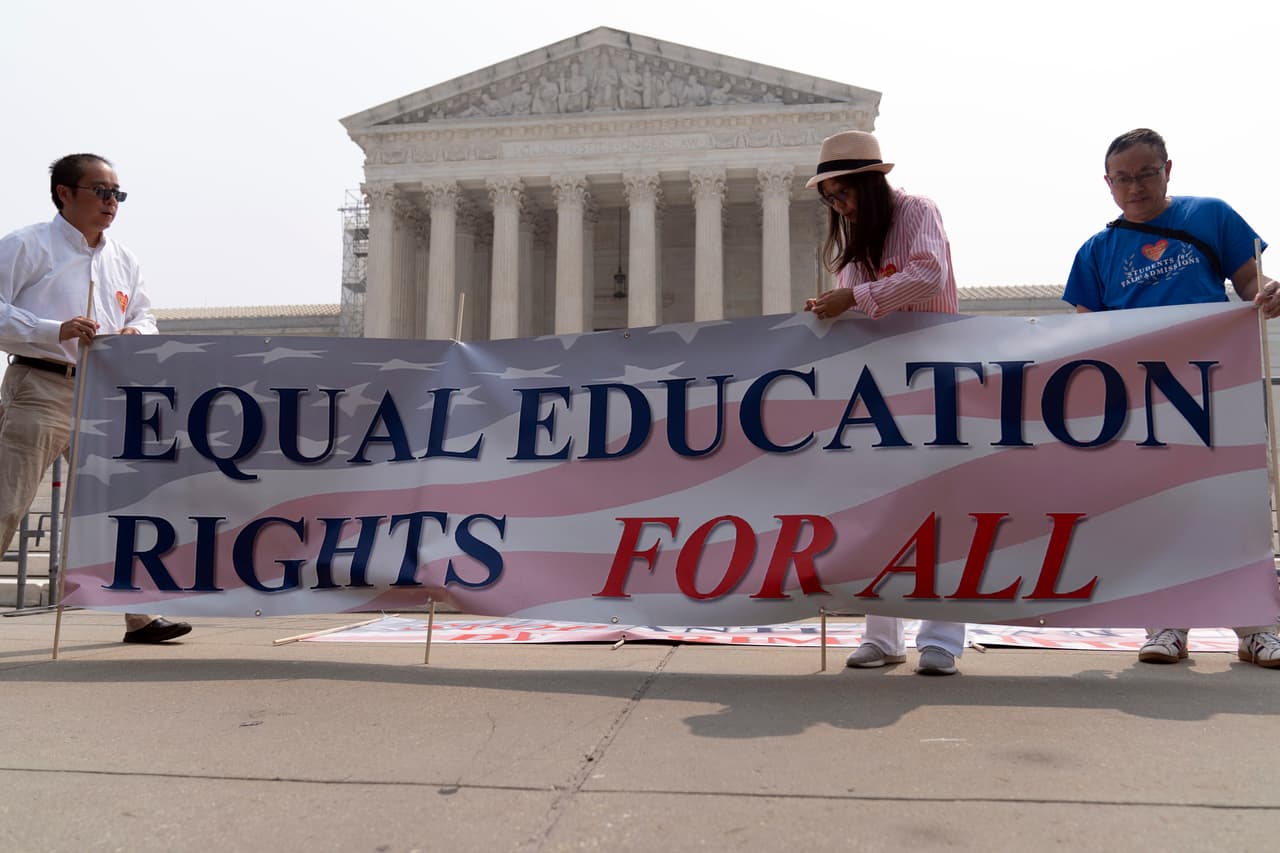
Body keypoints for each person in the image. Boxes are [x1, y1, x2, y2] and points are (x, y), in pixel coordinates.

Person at [1064, 127, 1280, 668]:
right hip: (1140, 405)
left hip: (1218, 391)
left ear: (1168, 170)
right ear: (1107, 184)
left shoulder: (1211, 216)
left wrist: (1270, 293)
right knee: (1159, 511)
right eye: (1123, 178)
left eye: (1146, 173)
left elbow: (1252, 280)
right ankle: (1166, 623)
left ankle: (1258, 628)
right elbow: (1083, 337)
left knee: (1233, 506)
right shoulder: (1096, 251)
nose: (1135, 186)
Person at [0, 153, 192, 644]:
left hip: (106, 393)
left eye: (116, 194)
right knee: (8, 501)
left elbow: (148, 317)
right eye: (100, 192)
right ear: (64, 193)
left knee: (124, 504)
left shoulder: (123, 259)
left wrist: (134, 331)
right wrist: (51, 329)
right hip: (42, 385)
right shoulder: (26, 246)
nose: (111, 203)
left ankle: (142, 615)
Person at [803, 130, 967, 676]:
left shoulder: (917, 211)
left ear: (871, 184)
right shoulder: (855, 242)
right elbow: (855, 314)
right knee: (877, 508)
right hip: (880, 388)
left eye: (843, 193)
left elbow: (928, 276)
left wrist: (854, 296)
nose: (839, 206)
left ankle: (941, 636)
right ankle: (882, 633)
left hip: (938, 377)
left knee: (938, 508)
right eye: (830, 199)